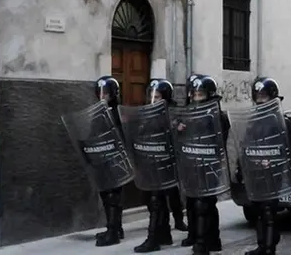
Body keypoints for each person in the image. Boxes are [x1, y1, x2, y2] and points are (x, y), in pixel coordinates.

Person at [244, 77, 291, 255]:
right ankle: (261, 245)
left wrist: (274, 160)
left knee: (268, 211)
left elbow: (288, 148)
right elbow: (247, 144)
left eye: (264, 97)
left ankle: (269, 248)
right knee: (258, 209)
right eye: (257, 97)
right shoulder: (253, 121)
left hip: (272, 172)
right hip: (256, 171)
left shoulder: (281, 121)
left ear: (272, 97)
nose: (260, 100)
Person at [178, 75, 229, 255]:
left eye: (200, 94)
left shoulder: (217, 116)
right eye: (194, 94)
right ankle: (197, 235)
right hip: (192, 164)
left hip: (208, 165)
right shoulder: (188, 114)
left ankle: (205, 242)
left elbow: (219, 141)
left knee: (205, 203)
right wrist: (180, 128)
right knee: (192, 201)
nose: (196, 97)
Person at [134, 79, 176, 253]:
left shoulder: (170, 115)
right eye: (152, 96)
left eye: (157, 97)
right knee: (155, 202)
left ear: (165, 98)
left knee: (156, 201)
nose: (154, 100)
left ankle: (153, 239)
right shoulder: (147, 114)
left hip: (163, 163)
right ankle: (165, 234)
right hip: (149, 163)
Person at [95, 75, 126, 247]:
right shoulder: (97, 113)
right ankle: (114, 227)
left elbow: (122, 135)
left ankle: (113, 232)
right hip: (102, 160)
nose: (102, 97)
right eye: (100, 93)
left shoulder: (119, 112)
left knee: (114, 196)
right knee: (106, 195)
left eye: (105, 94)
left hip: (116, 160)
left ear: (112, 95)